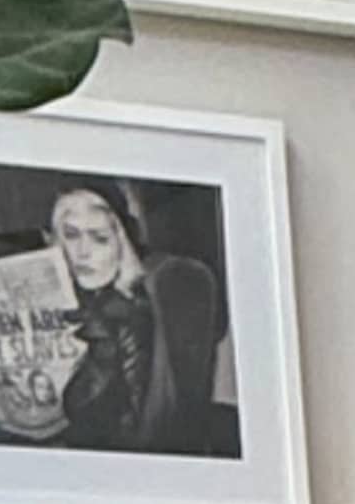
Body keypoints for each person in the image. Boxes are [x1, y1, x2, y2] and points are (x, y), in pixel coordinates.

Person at [41, 180, 232, 457]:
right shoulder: (52, 297)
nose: (83, 252)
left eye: (100, 237)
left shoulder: (149, 302)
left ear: (123, 239)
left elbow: (150, 428)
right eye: (70, 235)